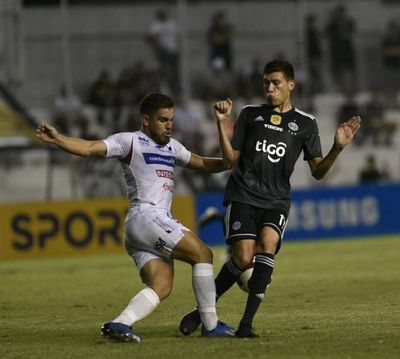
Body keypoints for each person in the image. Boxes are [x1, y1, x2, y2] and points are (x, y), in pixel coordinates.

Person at [179, 60, 361, 338]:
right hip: (243, 195)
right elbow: (230, 161)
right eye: (266, 83)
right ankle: (201, 312)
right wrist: (221, 123)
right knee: (242, 257)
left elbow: (318, 172)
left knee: (268, 244)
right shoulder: (250, 115)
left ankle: (246, 324)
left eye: (276, 82)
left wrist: (337, 147)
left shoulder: (306, 124)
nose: (270, 88)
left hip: (276, 201)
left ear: (291, 84)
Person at [36, 92, 236, 343]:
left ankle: (120, 324)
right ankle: (211, 325)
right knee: (203, 254)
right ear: (145, 120)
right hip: (146, 215)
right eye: (163, 120)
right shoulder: (129, 141)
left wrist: (231, 162)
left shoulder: (173, 147)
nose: (169, 125)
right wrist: (58, 139)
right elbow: (89, 148)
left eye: (171, 119)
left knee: (162, 286)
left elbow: (201, 163)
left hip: (139, 229)